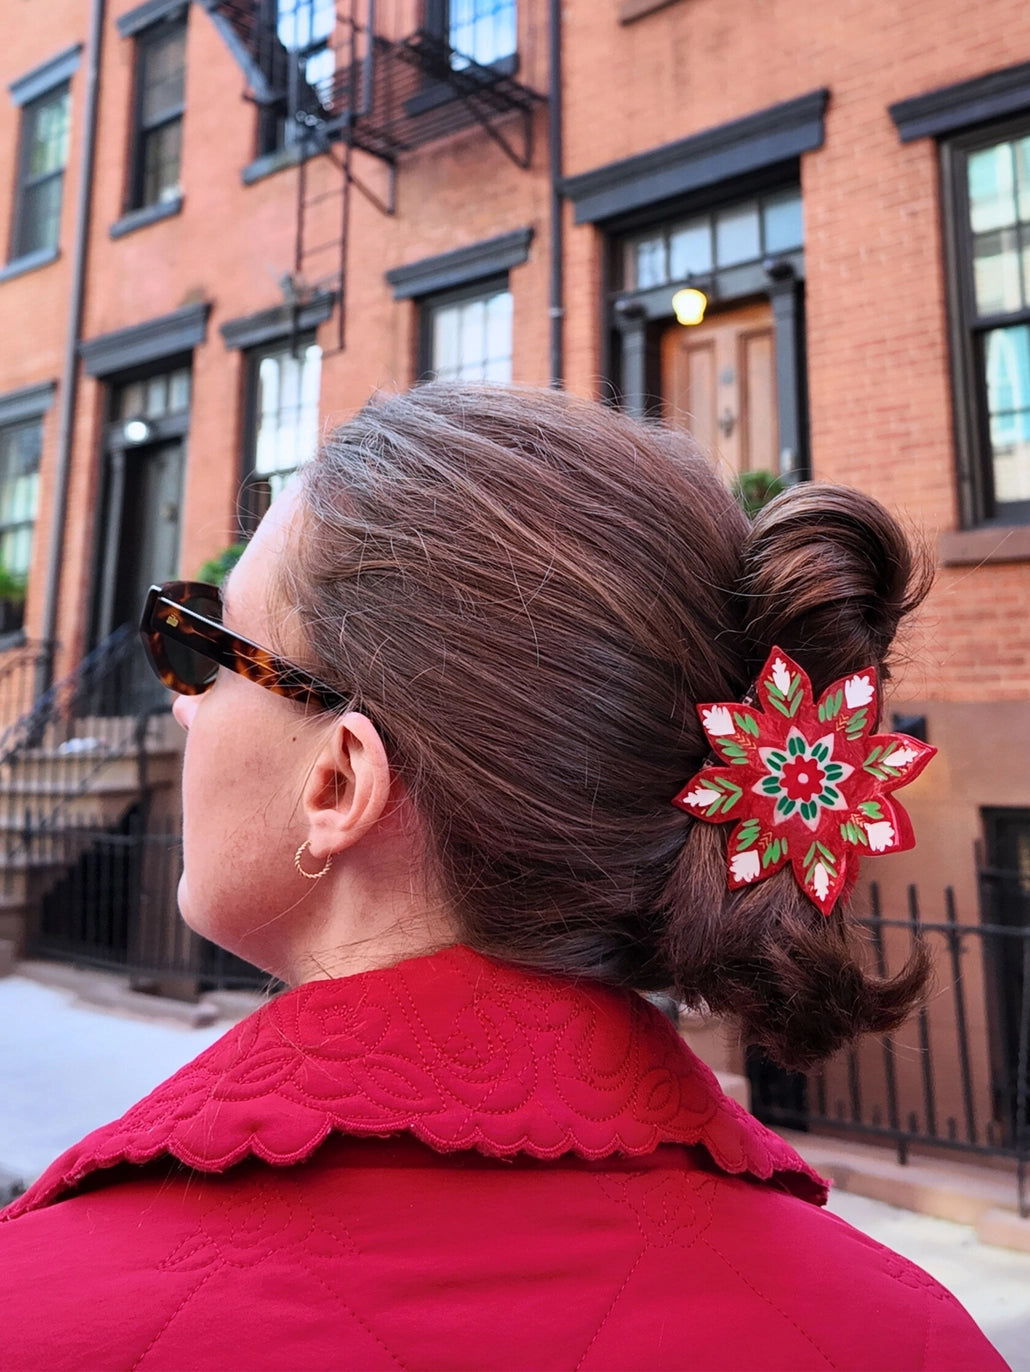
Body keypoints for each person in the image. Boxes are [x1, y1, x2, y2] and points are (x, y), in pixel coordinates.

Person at [0, 384, 1006, 1370]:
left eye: (212, 649)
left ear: (338, 780)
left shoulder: (37, 1312)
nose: (185, 704)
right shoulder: (913, 1337)